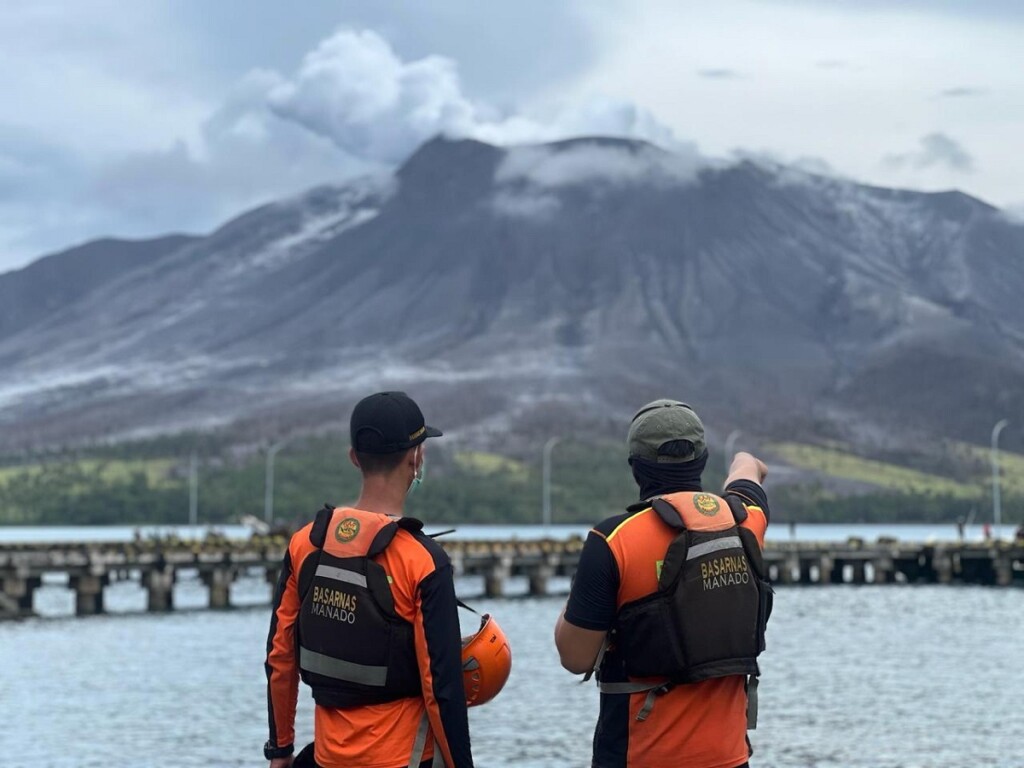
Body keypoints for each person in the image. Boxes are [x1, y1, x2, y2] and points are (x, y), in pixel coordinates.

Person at [554, 399, 772, 768]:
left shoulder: (613, 540)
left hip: (639, 756)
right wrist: (739, 465)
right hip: (729, 758)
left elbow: (574, 658)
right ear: (701, 461)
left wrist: (578, 602)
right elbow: (751, 467)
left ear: (636, 469)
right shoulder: (744, 521)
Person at [264, 391, 473, 768]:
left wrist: (280, 751)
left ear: (354, 458)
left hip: (327, 759)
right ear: (416, 458)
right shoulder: (422, 560)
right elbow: (441, 689)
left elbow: (280, 658)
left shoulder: (305, 544)